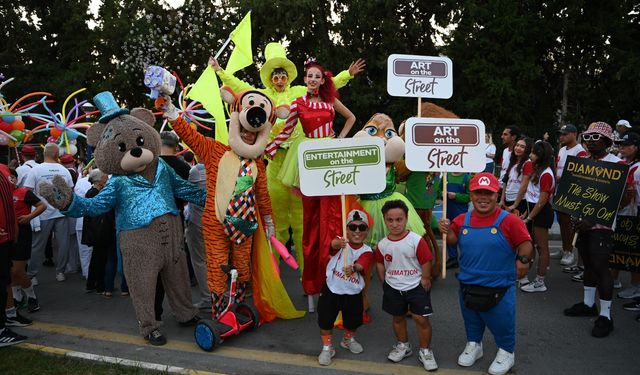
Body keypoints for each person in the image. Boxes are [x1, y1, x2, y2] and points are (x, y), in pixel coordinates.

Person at [211, 44, 365, 274]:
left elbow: (326, 87)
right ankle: (274, 280)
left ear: (289, 77)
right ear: (270, 79)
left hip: (302, 163)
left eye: (283, 75)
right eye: (276, 75)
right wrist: (220, 71)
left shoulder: (299, 93)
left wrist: (347, 74)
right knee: (276, 223)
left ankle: (310, 275)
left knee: (304, 223)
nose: (280, 79)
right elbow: (240, 87)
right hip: (274, 163)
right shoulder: (262, 96)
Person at [265, 59, 356, 297]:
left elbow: (351, 118)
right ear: (305, 79)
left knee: (333, 213)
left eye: (317, 76)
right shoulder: (298, 103)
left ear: (323, 79)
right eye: (310, 76)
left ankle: (336, 274)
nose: (313, 79)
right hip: (309, 159)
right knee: (311, 219)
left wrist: (340, 139)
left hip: (329, 154)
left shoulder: (330, 101)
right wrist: (268, 150)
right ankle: (313, 280)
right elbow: (286, 130)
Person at [439, 172, 533, 375]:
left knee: (502, 321)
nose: (483, 198)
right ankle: (475, 345)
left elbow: (525, 244)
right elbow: (453, 241)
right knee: (472, 319)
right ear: (471, 195)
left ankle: (507, 352)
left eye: (488, 193)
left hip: (499, 284)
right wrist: (446, 231)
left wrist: (523, 261)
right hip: (468, 283)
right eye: (478, 193)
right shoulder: (462, 219)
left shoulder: (509, 221)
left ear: (496, 194)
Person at [563, 122, 632, 338]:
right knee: (588, 265)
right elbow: (573, 192)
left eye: (596, 137)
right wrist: (574, 214)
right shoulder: (582, 162)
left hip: (602, 226)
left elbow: (626, 198)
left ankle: (606, 316)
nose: (590, 141)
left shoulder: (618, 165)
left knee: (602, 267)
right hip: (582, 223)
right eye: (588, 137)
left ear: (607, 140)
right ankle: (587, 303)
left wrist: (594, 219)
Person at [375, 200, 437, 371]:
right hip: (393, 287)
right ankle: (403, 345)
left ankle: (425, 351)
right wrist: (383, 280)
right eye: (390, 220)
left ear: (406, 218)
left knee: (421, 319)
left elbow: (426, 260)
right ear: (384, 220)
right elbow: (380, 262)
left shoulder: (416, 240)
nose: (394, 224)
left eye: (399, 219)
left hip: (416, 285)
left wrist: (425, 278)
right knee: (397, 317)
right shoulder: (382, 244)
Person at [317, 209, 373, 366]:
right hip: (331, 289)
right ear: (346, 229)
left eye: (361, 228)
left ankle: (348, 340)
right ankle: (327, 347)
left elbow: (364, 263)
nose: (357, 231)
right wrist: (337, 243)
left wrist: (355, 268)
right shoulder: (341, 242)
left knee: (353, 321)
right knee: (325, 319)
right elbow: (331, 245)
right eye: (352, 227)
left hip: (353, 293)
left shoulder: (367, 250)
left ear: (367, 231)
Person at [24, 143, 74, 283]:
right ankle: (60, 272)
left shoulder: (36, 170)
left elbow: (27, 191)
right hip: (61, 212)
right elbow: (70, 191)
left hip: (42, 213)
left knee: (37, 245)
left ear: (44, 153)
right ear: (57, 154)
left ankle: (32, 275)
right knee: (63, 244)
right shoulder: (64, 170)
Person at [7, 168, 45, 318]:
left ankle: (32, 296)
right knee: (9, 270)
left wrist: (29, 216)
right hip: (6, 233)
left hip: (22, 233)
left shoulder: (24, 192)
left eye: (11, 177)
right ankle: (17, 297)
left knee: (17, 270)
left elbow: (42, 205)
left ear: (16, 179)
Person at [520, 141, 555, 293]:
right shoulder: (536, 170)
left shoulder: (546, 173)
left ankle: (540, 281)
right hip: (533, 211)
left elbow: (542, 201)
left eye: (533, 152)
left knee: (542, 248)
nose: (530, 155)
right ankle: (525, 274)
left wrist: (529, 218)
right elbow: (531, 197)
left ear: (540, 155)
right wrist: (526, 214)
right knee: (531, 245)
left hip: (542, 213)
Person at [555, 124, 588, 267]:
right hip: (560, 190)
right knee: (562, 221)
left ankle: (570, 251)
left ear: (574, 134)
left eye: (565, 134)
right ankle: (564, 248)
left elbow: (581, 174)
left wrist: (561, 178)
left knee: (569, 223)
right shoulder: (562, 149)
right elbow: (557, 166)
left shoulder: (580, 151)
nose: (562, 137)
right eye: (561, 134)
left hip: (572, 192)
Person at [612, 132, 640, 300]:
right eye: (620, 144)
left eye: (625, 144)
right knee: (617, 249)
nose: (621, 147)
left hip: (632, 216)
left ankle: (636, 287)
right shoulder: (621, 163)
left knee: (633, 253)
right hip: (620, 214)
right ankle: (613, 280)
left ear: (635, 147)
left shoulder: (638, 169)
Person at [0, 165, 25, 346]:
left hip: (7, 237)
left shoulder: (4, 169)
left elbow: (8, 201)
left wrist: (14, 229)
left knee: (4, 280)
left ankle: (7, 318)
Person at [185, 162, 211, 310]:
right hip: (217, 223)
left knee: (200, 261)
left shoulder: (198, 170)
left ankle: (208, 299)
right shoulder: (222, 165)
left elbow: (187, 192)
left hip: (198, 222)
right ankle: (220, 295)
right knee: (216, 260)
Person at [436, 172, 471, 269]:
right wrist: (442, 194)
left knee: (462, 234)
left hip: (461, 211)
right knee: (448, 232)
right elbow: (438, 191)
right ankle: (453, 258)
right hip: (448, 210)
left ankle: (466, 258)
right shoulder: (446, 176)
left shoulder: (466, 178)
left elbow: (469, 197)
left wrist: (456, 196)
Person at [500, 136, 533, 216]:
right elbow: (505, 181)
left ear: (527, 150)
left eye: (522, 147)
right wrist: (502, 200)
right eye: (517, 145)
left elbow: (524, 186)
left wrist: (515, 205)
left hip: (520, 202)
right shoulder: (512, 161)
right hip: (507, 200)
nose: (518, 148)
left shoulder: (527, 163)